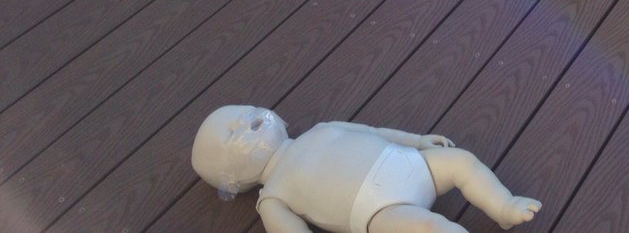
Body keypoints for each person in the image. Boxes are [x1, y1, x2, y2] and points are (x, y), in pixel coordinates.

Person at [191, 105, 541, 232]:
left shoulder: (320, 129)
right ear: (231, 178)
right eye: (233, 134)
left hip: (406, 163)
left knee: (461, 161)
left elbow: (373, 133)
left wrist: (416, 140)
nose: (249, 125)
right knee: (429, 228)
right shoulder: (272, 198)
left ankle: (504, 206)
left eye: (247, 114)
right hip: (379, 210)